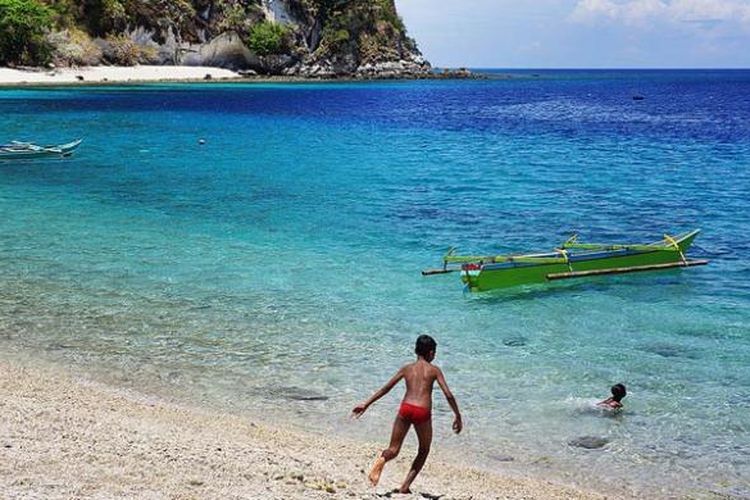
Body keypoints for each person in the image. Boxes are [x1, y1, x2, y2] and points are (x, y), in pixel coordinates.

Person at [351, 335, 462, 494]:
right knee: (424, 450)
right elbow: (448, 395)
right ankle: (405, 487)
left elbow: (386, 388)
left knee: (394, 449)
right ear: (431, 353)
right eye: (434, 352)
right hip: (422, 412)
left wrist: (366, 404)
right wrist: (457, 415)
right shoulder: (434, 370)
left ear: (416, 350)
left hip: (406, 408)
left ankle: (382, 460)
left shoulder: (407, 368)